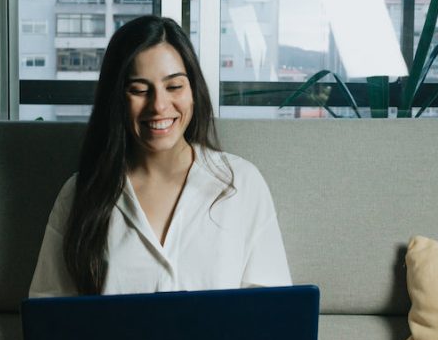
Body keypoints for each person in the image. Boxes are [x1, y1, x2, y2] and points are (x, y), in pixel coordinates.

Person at [29, 15, 291, 297]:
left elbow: (272, 308)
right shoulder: (79, 194)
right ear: (116, 98)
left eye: (174, 86)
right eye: (139, 90)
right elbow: (50, 309)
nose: (159, 106)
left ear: (193, 91)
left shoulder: (241, 183)